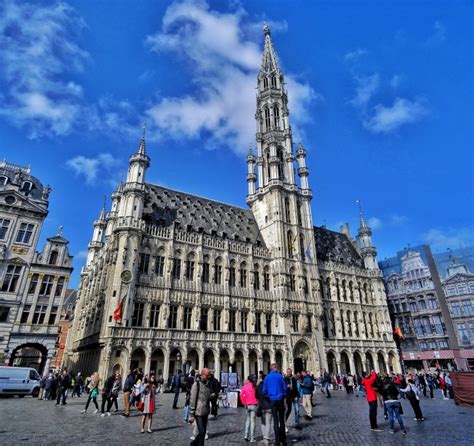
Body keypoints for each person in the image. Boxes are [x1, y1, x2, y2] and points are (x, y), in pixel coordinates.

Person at [263, 363, 287, 446]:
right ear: (275, 368)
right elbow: (284, 388)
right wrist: (283, 395)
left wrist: (269, 395)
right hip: (280, 399)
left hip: (272, 400)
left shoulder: (267, 377)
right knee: (282, 421)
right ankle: (283, 440)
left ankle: (277, 441)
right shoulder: (280, 376)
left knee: (275, 421)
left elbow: (264, 391)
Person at [189, 368, 212, 446]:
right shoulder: (196, 384)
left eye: (209, 375)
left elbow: (207, 396)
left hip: (205, 410)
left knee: (203, 431)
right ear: (202, 375)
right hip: (198, 411)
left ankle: (193, 444)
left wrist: (212, 396)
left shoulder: (208, 384)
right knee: (202, 431)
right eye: (207, 375)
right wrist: (192, 413)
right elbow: (193, 399)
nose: (208, 376)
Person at [240, 376, 258, 443]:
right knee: (252, 421)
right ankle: (252, 438)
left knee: (247, 420)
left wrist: (243, 402)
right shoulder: (255, 386)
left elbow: (241, 394)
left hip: (247, 405)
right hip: (254, 405)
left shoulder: (245, 386)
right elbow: (258, 395)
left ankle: (246, 435)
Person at [256, 372, 273, 445]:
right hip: (269, 406)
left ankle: (264, 437)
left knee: (263, 422)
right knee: (268, 422)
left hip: (261, 406)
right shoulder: (269, 385)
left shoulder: (258, 386)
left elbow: (256, 396)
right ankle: (267, 438)